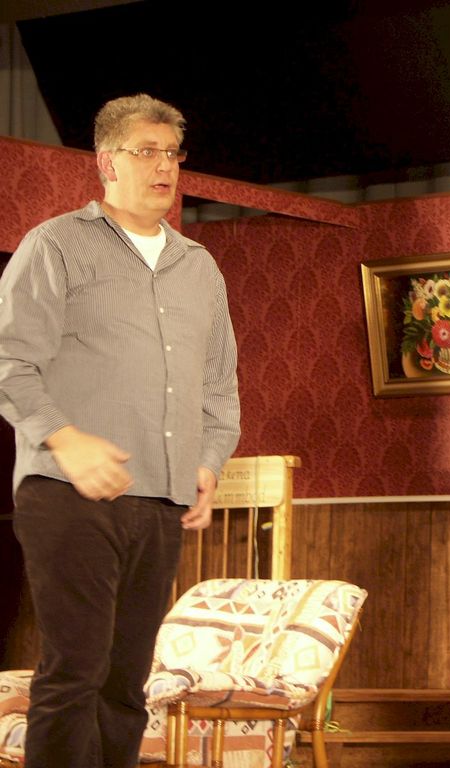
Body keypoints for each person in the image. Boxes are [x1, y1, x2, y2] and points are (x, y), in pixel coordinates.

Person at [0, 93, 240, 768]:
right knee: (76, 671)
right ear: (107, 162)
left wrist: (209, 462)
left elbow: (218, 384)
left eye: (173, 154)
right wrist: (64, 436)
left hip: (160, 501)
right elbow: (9, 360)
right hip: (67, 492)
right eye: (146, 152)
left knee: (126, 686)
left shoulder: (200, 267)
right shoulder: (56, 245)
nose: (164, 167)